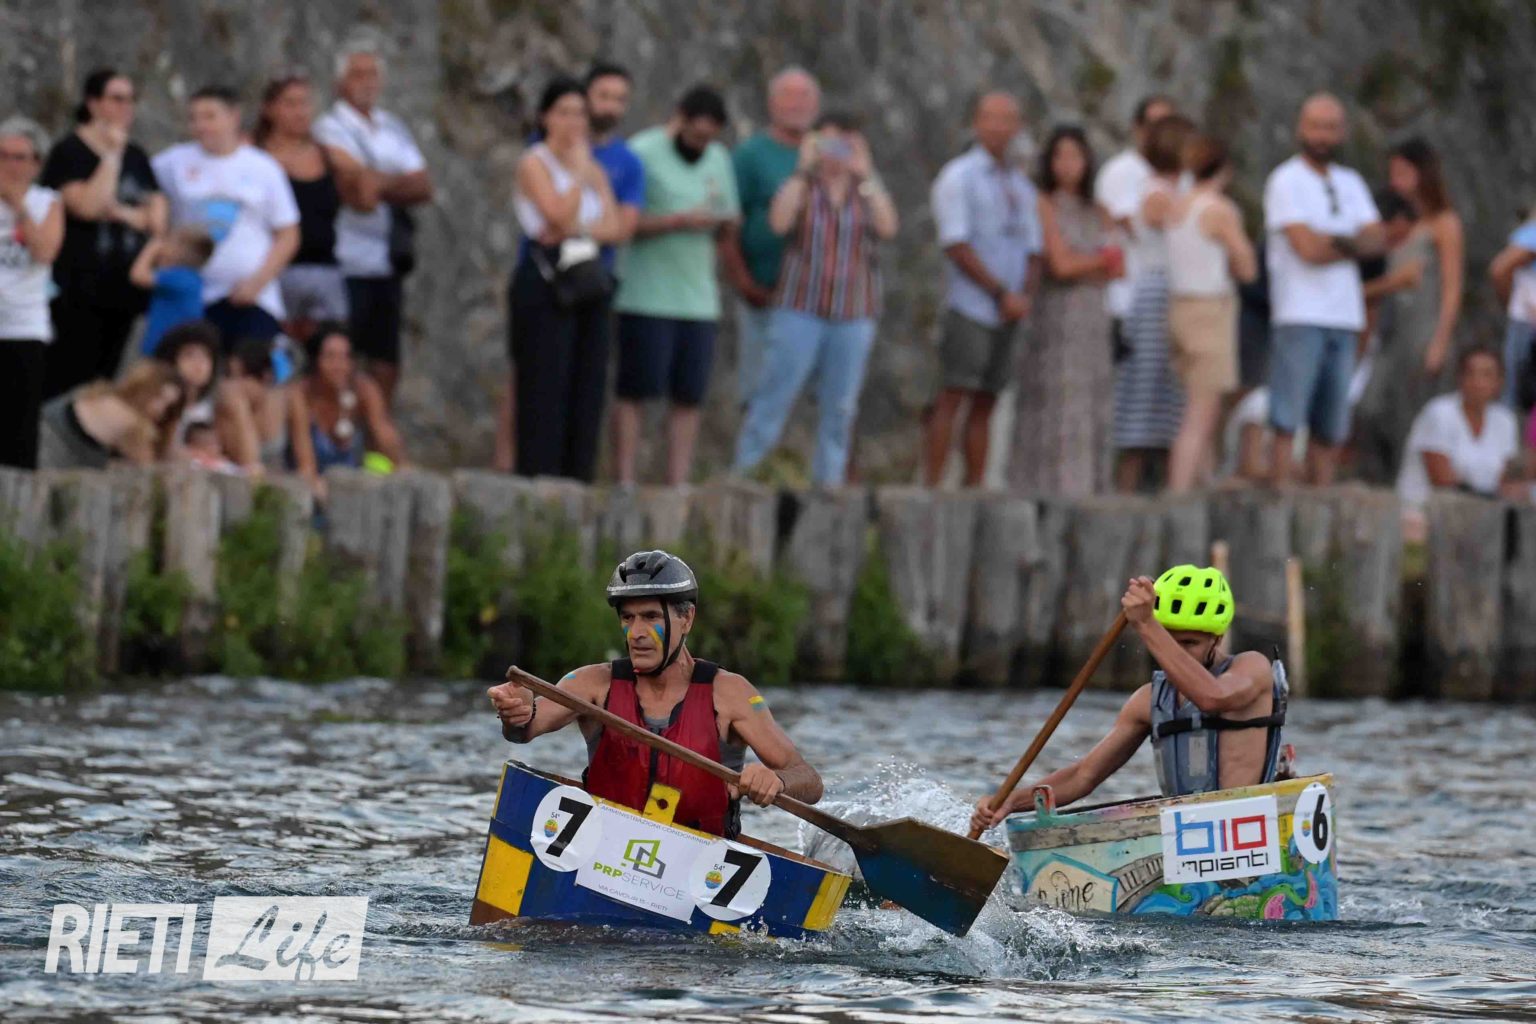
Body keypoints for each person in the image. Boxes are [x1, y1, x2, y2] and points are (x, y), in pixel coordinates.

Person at [485, 550, 824, 838]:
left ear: (687, 618)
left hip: (700, 867)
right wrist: (516, 713)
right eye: (628, 618)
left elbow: (809, 781)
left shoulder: (731, 694)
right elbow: (525, 728)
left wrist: (776, 780)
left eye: (650, 617)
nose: (636, 633)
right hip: (603, 851)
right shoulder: (591, 683)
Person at [970, 565, 1289, 831]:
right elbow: (1083, 776)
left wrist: (1147, 623)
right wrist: (1010, 801)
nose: (1177, 653)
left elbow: (1212, 697)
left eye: (1189, 643)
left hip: (1250, 832)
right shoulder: (1148, 700)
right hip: (1187, 836)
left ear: (1216, 639)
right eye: (1168, 640)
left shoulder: (1252, 668)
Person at [493, 61, 646, 475]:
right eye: (563, 112)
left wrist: (577, 224)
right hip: (546, 280)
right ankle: (537, 473)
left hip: (587, 278)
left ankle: (577, 474)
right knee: (545, 381)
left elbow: (614, 227)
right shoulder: (535, 162)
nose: (574, 122)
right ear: (546, 117)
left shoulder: (595, 167)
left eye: (579, 113)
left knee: (587, 381)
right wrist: (577, 180)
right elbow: (555, 214)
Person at [731, 113, 898, 486]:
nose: (836, 153)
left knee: (840, 407)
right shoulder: (803, 186)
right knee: (773, 395)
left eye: (845, 144)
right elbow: (778, 223)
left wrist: (866, 173)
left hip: (853, 310)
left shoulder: (864, 190)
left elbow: (888, 227)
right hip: (800, 307)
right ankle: (746, 477)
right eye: (829, 143)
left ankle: (829, 486)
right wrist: (803, 170)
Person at [611, 85, 740, 487]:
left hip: (698, 300)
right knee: (635, 390)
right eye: (696, 135)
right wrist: (676, 221)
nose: (701, 145)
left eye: (709, 138)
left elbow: (729, 217)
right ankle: (625, 479)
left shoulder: (718, 159)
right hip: (645, 296)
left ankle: (677, 482)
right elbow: (621, 221)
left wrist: (722, 223)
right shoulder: (643, 151)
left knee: (689, 396)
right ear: (680, 120)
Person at [1262, 93, 1384, 486]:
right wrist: (1351, 242)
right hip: (1300, 312)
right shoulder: (1286, 180)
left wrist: (1334, 241)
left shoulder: (1351, 182)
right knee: (1287, 417)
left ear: (1341, 132)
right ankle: (1281, 494)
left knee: (1331, 423)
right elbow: (1307, 249)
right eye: (1316, 126)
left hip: (1345, 315)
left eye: (1330, 128)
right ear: (1301, 128)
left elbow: (1378, 240)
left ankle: (1322, 499)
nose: (1323, 136)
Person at [923, 91, 1043, 488]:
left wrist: (1023, 296)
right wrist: (999, 293)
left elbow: (1033, 247)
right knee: (954, 392)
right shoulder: (959, 176)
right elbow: (956, 243)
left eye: (1007, 120)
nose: (999, 128)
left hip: (1009, 309)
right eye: (991, 118)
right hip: (971, 304)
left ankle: (974, 484)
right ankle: (933, 483)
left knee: (987, 399)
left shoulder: (1020, 184)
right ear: (976, 123)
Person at [314, 39, 434, 405]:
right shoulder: (330, 127)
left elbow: (422, 186)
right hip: (346, 258)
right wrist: (392, 182)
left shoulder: (391, 126)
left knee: (385, 358)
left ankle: (375, 430)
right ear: (340, 82)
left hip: (386, 260)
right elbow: (361, 197)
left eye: (372, 75)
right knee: (341, 350)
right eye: (358, 74)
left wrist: (375, 180)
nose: (367, 82)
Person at [40, 69, 166, 400]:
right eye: (117, 98)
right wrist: (110, 156)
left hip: (125, 292)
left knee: (108, 386)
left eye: (131, 99)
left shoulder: (137, 155)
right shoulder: (69, 151)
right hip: (78, 290)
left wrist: (121, 212)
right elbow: (88, 207)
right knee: (66, 380)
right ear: (93, 103)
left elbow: (156, 220)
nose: (126, 107)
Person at [1009, 124, 1119, 497]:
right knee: (1058, 399)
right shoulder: (1044, 204)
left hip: (1093, 316)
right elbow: (1060, 265)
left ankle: (1091, 486)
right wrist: (1095, 263)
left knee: (1092, 398)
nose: (1068, 164)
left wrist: (1088, 264)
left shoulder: (1098, 210)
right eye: (1060, 156)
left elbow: (1117, 266)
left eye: (1075, 156)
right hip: (1057, 315)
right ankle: (1049, 487)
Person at [153, 85, 301, 348]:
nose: (201, 126)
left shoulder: (263, 167)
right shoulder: (172, 162)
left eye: (209, 116)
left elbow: (288, 234)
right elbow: (149, 200)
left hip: (254, 298)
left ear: (234, 116)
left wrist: (257, 283)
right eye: (194, 118)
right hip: (193, 295)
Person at [1354, 139, 1464, 484]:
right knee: (1370, 408)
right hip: (1393, 332)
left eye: (1402, 171)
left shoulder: (1444, 223)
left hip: (1424, 328)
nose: (1395, 179)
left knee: (1411, 412)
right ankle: (1379, 478)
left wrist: (1440, 341)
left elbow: (1452, 288)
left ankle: (1405, 488)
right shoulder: (1400, 225)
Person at [1165, 134, 1258, 493]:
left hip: (1177, 307)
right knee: (1201, 413)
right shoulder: (1218, 209)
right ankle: (1179, 492)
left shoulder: (1176, 206)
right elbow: (1247, 267)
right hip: (1209, 310)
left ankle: (1201, 483)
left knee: (1193, 403)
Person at [723, 67, 821, 403]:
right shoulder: (750, 155)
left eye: (804, 96)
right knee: (760, 391)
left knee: (819, 396)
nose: (797, 104)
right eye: (788, 96)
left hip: (822, 298)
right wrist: (744, 283)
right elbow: (728, 226)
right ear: (771, 104)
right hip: (766, 295)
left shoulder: (832, 154)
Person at [1112, 114, 1193, 493]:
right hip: (1156, 293)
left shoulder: (1181, 188)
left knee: (1171, 399)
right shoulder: (1156, 191)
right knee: (1142, 398)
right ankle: (1126, 489)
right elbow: (1180, 226)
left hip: (1179, 290)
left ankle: (1164, 485)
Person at [257, 74, 362, 345]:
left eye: (304, 103)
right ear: (270, 109)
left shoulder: (328, 155)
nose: (299, 112)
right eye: (290, 104)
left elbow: (366, 190)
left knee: (331, 349)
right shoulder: (255, 157)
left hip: (325, 269)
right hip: (273, 271)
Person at [1396, 348, 1520, 541]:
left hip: (1480, 517)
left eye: (1487, 374)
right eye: (1470, 373)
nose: (1478, 382)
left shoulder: (1505, 421)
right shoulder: (1439, 413)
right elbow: (1442, 482)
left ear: (1499, 382)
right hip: (1426, 516)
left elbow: (1502, 481)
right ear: (1459, 378)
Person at [0, 117, 65, 470]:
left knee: (19, 431)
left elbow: (44, 252)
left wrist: (18, 206)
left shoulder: (46, 202)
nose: (10, 165)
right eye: (3, 155)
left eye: (19, 157)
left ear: (36, 164)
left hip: (23, 325)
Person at [1095, 95, 1175, 361]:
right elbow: (1138, 228)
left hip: (1170, 299)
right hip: (1130, 301)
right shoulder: (1120, 172)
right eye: (1154, 124)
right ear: (1137, 128)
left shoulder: (1179, 175)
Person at [290, 321, 407, 477]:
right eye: (330, 357)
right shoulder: (301, 394)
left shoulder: (363, 389)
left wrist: (403, 469)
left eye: (345, 357)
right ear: (315, 360)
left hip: (353, 478)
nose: (339, 366)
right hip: (308, 478)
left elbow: (384, 433)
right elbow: (306, 464)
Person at [152, 321, 261, 472]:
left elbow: (251, 462)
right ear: (172, 360)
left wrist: (238, 407)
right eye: (189, 355)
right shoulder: (159, 400)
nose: (199, 363)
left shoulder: (218, 407)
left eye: (205, 356)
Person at [37, 360, 185, 470]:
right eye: (158, 397)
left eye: (168, 406)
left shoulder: (97, 393)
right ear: (143, 388)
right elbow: (148, 471)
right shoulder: (134, 424)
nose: (160, 409)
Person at [226, 335, 315, 485]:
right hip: (237, 484)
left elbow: (307, 465)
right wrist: (239, 405)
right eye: (232, 378)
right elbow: (250, 463)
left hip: (280, 484)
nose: (236, 385)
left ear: (266, 376)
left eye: (243, 378)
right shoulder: (229, 400)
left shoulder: (288, 397)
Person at [129, 226, 215, 357]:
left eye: (170, 243)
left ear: (179, 252)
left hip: (163, 348)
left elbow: (138, 275)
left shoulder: (179, 276)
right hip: (171, 347)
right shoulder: (191, 278)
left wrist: (151, 247)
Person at [1488, 207, 1536, 415]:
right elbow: (1500, 269)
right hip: (1528, 328)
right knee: (1517, 398)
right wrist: (1514, 305)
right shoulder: (1533, 234)